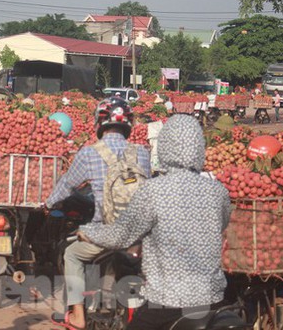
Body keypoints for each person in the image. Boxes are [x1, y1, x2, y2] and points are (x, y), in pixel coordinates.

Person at [77, 115, 231, 330]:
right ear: (199, 148)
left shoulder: (153, 191)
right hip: (212, 299)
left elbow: (121, 235)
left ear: (165, 147)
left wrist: (88, 231)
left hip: (167, 302)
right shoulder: (218, 191)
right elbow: (221, 225)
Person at [47, 97, 151, 330]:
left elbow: (65, 186)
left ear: (100, 122)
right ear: (128, 124)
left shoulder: (89, 153)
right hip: (139, 236)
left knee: (72, 254)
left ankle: (77, 315)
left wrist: (50, 203)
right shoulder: (142, 153)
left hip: (106, 233)